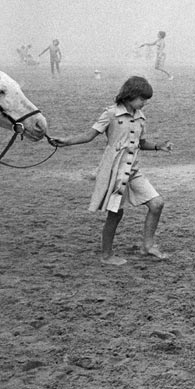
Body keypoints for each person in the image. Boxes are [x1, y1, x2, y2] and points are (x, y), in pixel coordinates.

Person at [48, 76, 172, 266]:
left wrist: (158, 146)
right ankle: (106, 255)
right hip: (114, 170)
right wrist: (66, 141)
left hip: (133, 170)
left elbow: (141, 143)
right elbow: (89, 135)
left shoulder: (140, 116)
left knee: (157, 203)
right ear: (130, 96)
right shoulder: (111, 114)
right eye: (142, 99)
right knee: (115, 213)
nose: (145, 103)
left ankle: (147, 246)